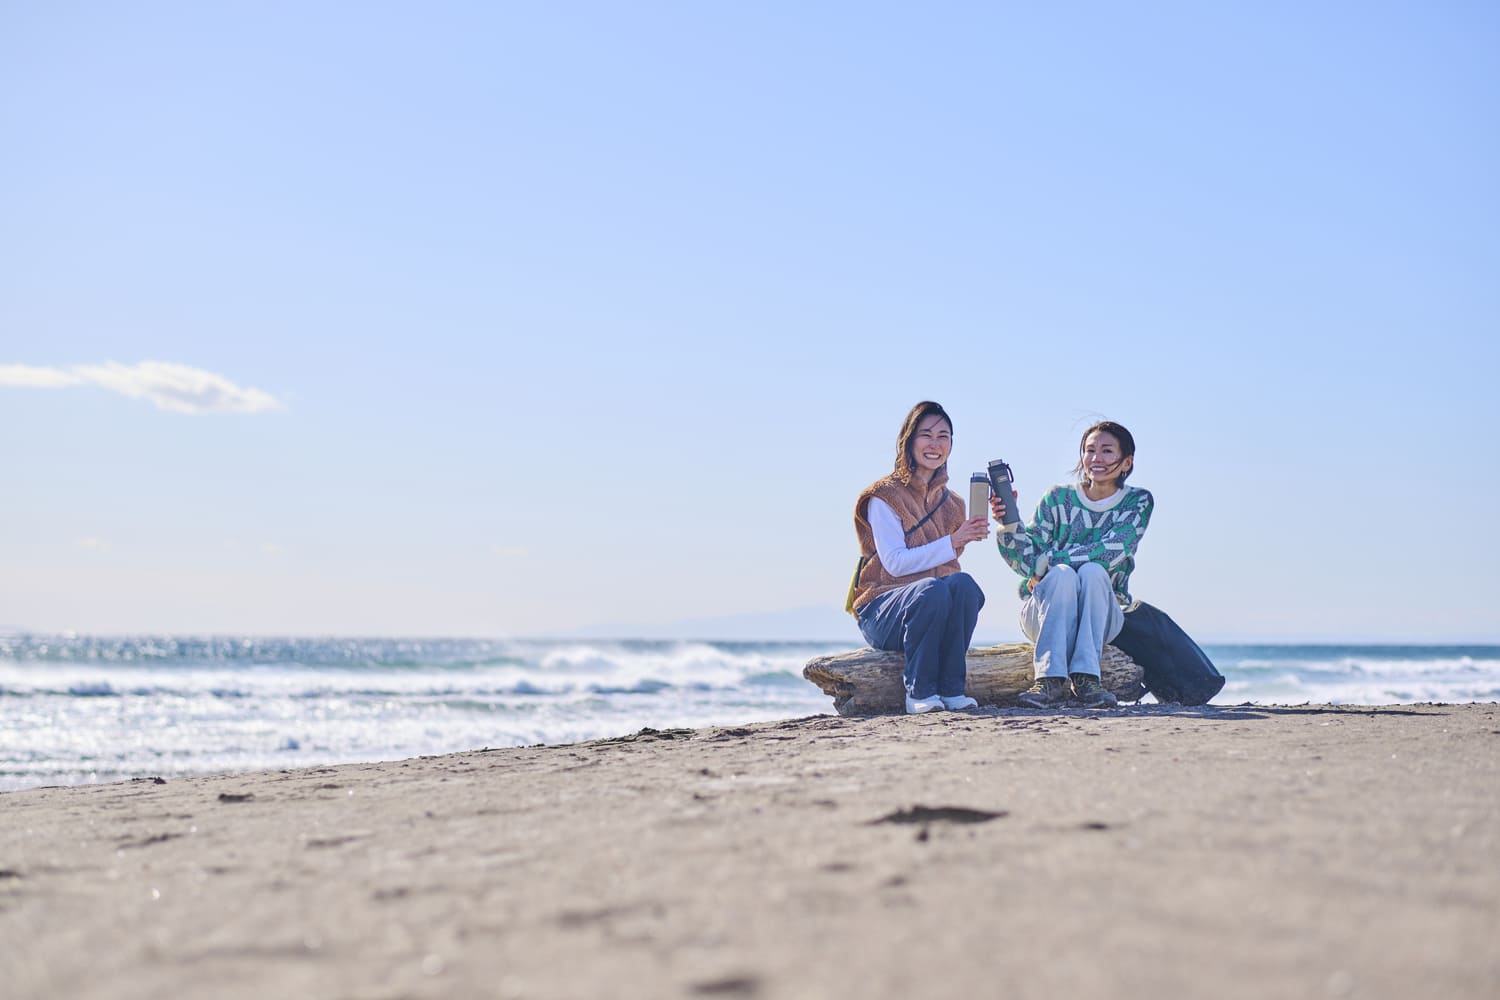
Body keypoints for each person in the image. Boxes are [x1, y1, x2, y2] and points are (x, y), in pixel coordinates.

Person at [991, 420, 1153, 709]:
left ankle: (1087, 679)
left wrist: (1049, 561)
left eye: (1106, 451)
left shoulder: (1137, 502)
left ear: (1126, 461)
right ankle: (1048, 681)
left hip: (1102, 615)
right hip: (1044, 614)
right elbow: (1026, 561)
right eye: (1090, 450)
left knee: (1092, 571)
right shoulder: (1058, 498)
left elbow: (1111, 550)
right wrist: (1009, 523)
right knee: (1064, 575)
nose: (1096, 459)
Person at [849, 401, 989, 714]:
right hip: (882, 609)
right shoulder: (884, 495)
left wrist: (1004, 518)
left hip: (931, 609)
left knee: (964, 585)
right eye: (926, 435)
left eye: (944, 436)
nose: (935, 444)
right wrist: (952, 540)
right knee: (933, 589)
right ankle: (919, 691)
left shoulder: (953, 504)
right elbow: (895, 563)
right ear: (909, 441)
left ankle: (952, 690)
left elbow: (948, 568)